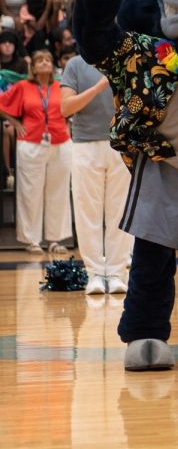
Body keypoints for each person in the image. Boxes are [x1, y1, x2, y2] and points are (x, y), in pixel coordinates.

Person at [61, 54, 131, 292]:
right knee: (87, 210)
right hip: (85, 145)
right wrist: (100, 85)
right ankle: (94, 274)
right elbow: (65, 107)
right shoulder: (75, 65)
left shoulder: (124, 58)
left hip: (121, 144)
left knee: (120, 211)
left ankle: (117, 273)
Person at [0, 50, 71, 254]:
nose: (44, 63)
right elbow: (2, 103)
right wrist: (15, 122)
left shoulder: (61, 87)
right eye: (39, 60)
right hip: (30, 143)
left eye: (48, 60)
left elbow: (72, 108)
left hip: (61, 143)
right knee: (30, 193)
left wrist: (66, 125)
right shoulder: (23, 86)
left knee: (58, 192)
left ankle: (55, 240)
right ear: (33, 67)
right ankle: (32, 240)